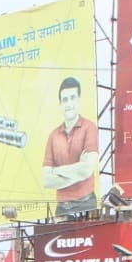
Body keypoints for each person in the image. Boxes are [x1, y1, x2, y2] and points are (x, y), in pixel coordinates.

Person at [42, 76, 98, 217]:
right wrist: (78, 170)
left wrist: (57, 171)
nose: (69, 103)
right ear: (60, 104)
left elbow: (87, 169)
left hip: (87, 204)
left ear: (79, 100)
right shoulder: (53, 136)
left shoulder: (90, 128)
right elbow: (46, 180)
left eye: (72, 98)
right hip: (63, 208)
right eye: (65, 100)